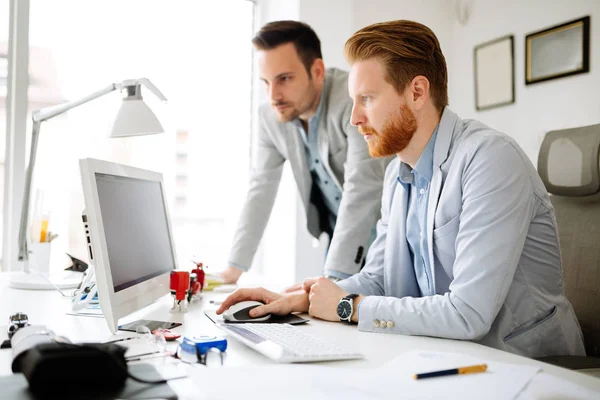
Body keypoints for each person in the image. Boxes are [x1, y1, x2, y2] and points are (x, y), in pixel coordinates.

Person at [217, 20, 585, 358]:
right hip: (457, 356)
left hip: (527, 364)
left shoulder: (489, 159)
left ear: (417, 92)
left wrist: (348, 307)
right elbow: (379, 277)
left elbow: (467, 313)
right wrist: (302, 297)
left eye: (367, 99)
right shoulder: (398, 175)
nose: (354, 118)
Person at [220, 21, 391, 284]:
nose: (273, 95)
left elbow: (362, 187)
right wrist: (234, 268)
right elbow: (260, 189)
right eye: (266, 82)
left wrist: (333, 278)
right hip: (337, 236)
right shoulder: (270, 116)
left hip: (386, 235)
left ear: (318, 71)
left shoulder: (352, 100)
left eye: (284, 79)